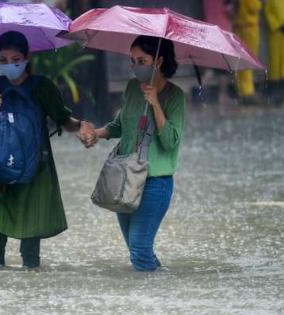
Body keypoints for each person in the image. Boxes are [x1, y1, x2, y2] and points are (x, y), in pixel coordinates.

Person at [0, 31, 94, 269]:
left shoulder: (43, 87)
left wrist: (81, 125)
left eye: (16, 58)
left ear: (28, 57)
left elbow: (64, 120)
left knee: (30, 248)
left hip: (35, 171)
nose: (10, 64)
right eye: (4, 60)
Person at [79, 35, 186, 271]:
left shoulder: (175, 96)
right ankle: (162, 290)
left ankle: (154, 301)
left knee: (139, 248)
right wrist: (94, 134)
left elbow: (170, 142)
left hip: (155, 182)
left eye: (141, 60)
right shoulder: (131, 87)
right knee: (137, 250)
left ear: (158, 61)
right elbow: (119, 125)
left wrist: (156, 104)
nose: (135, 66)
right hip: (125, 178)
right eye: (132, 60)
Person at [233, 0, 262, 105]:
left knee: (241, 59)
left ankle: (241, 90)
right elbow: (254, 7)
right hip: (249, 27)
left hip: (240, 26)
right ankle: (247, 92)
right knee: (248, 59)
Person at [264, 0, 284, 105]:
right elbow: (268, 12)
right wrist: (277, 25)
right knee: (275, 62)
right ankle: (274, 92)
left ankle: (281, 92)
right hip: (275, 33)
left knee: (282, 64)